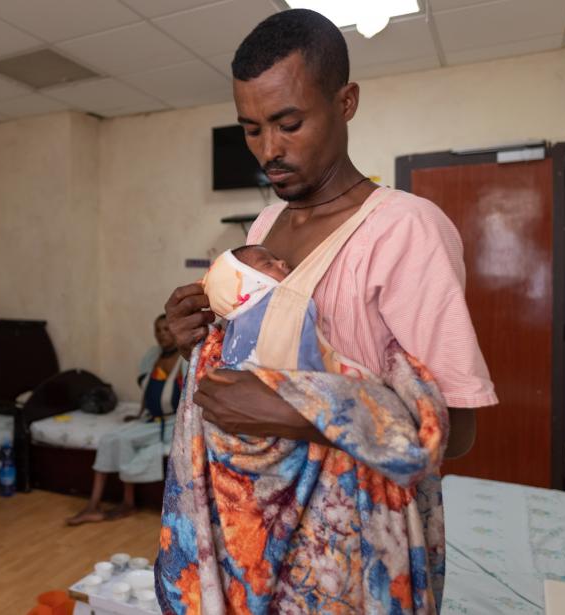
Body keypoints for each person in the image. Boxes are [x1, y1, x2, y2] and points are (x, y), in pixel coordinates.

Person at [157, 9, 496, 613]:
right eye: (252, 129)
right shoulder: (264, 226)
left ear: (346, 102)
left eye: (289, 123)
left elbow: (456, 431)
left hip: (347, 564)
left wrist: (303, 413)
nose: (270, 150)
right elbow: (254, 363)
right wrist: (194, 342)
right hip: (255, 550)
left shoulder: (404, 232)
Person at [65, 315, 186, 526]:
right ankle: (95, 506)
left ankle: (126, 503)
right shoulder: (152, 356)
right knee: (110, 439)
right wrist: (139, 415)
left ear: (177, 331)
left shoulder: (186, 359)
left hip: (172, 423)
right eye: (158, 330)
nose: (161, 335)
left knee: (123, 440)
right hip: (151, 420)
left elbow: (189, 398)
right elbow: (149, 392)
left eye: (167, 330)